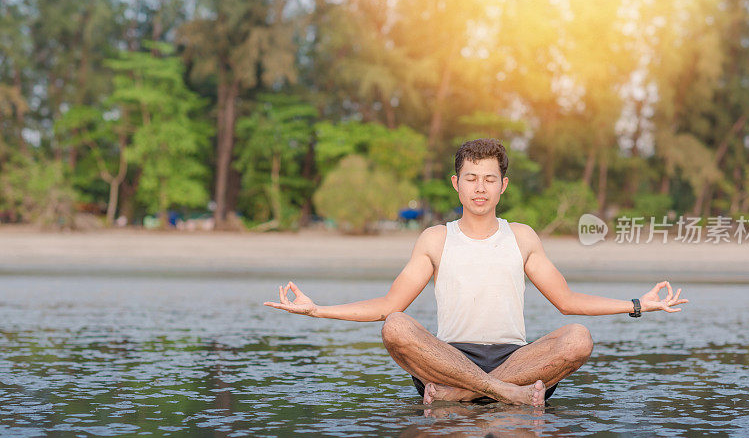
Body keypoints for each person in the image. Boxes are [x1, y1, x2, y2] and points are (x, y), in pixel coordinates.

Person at [264, 138, 688, 406]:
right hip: (447, 358)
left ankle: (461, 395)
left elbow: (567, 301)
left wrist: (638, 304)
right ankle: (503, 394)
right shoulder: (434, 239)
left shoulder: (522, 237)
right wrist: (317, 310)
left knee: (578, 337)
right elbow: (388, 306)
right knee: (396, 326)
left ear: (503, 185)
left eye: (489, 178)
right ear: (456, 183)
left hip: (515, 359)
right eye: (471, 178)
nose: (480, 187)